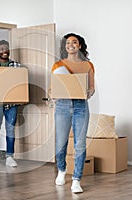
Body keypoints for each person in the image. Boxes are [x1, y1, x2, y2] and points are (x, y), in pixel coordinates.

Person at [51, 33, 95, 193]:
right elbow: (53, 87)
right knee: (61, 143)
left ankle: (76, 179)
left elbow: (91, 89)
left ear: (80, 46)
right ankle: (62, 170)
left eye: (74, 42)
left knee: (80, 144)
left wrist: (86, 92)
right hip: (62, 105)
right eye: (68, 42)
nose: (71, 44)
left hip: (80, 106)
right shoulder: (58, 65)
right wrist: (52, 93)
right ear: (65, 47)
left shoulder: (88, 65)